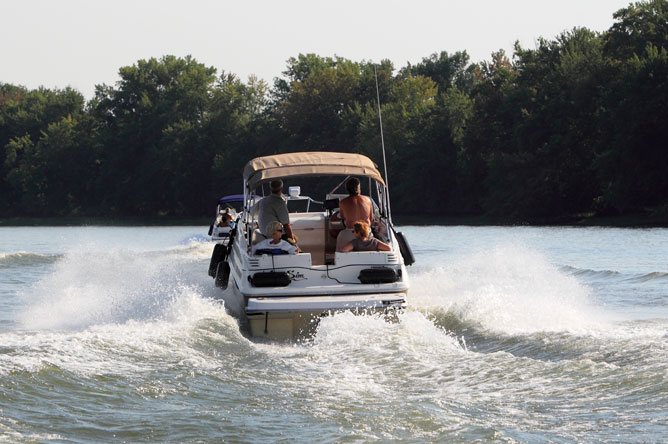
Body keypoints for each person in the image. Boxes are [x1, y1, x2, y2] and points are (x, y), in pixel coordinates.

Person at [336, 177, 374, 250]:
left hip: (351, 232)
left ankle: (338, 259)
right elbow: (371, 218)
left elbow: (343, 217)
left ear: (347, 189)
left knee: (340, 236)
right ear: (359, 187)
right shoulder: (368, 200)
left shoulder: (343, 202)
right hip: (366, 233)